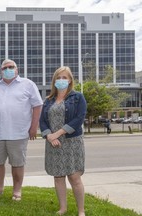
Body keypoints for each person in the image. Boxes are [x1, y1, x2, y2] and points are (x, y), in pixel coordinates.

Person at [0, 59, 43, 201]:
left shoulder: (28, 84)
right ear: (1, 71)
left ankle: (17, 191)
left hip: (18, 132)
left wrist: (34, 126)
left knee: (17, 163)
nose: (8, 69)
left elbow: (37, 106)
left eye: (11, 67)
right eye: (5, 68)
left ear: (17, 69)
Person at [39, 66, 87, 216]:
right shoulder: (48, 100)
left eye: (64, 77)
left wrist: (57, 134)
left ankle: (81, 211)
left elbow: (78, 119)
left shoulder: (78, 97)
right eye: (58, 78)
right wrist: (49, 136)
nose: (61, 80)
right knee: (58, 176)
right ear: (54, 81)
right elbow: (42, 121)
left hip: (72, 142)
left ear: (70, 80)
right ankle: (63, 208)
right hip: (53, 143)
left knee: (74, 177)